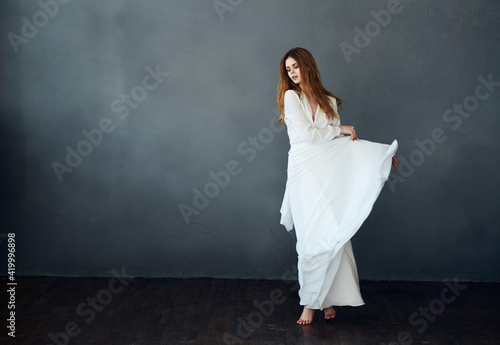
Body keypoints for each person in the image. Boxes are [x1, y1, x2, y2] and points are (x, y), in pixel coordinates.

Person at [277, 47, 398, 325]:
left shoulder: (328, 100)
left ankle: (327, 299)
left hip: (327, 171)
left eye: (296, 66)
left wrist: (379, 157)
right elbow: (308, 135)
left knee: (334, 231)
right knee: (311, 238)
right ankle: (309, 302)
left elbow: (340, 145)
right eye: (288, 69)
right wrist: (339, 129)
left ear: (308, 66)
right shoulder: (291, 97)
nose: (292, 72)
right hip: (303, 172)